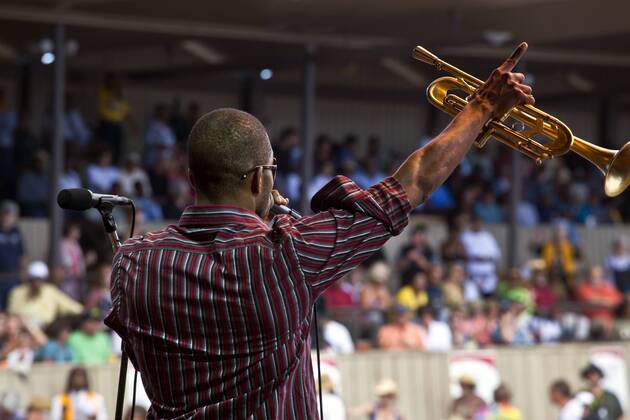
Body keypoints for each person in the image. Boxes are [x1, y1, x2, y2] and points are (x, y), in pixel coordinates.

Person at [104, 43, 534, 418]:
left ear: (191, 178)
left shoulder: (133, 261)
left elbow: (142, 358)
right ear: (259, 180)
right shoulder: (288, 254)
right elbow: (413, 184)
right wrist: (481, 108)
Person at [7, 261, 83, 326]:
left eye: (39, 280)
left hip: (45, 329)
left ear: (44, 280)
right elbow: (12, 314)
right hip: (21, 328)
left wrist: (84, 311)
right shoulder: (17, 292)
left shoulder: (51, 291)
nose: (36, 283)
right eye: (34, 279)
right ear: (29, 279)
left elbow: (70, 306)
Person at [460, 215, 501, 298]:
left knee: (489, 299)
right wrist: (477, 258)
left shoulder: (488, 236)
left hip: (488, 275)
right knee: (472, 299)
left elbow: (497, 254)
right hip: (473, 275)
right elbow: (463, 254)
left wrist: (486, 258)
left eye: (480, 223)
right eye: (476, 223)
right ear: (471, 223)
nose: (478, 225)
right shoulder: (465, 236)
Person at [576, 265, 622, 338]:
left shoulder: (608, 286)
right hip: (590, 320)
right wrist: (606, 301)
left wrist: (600, 300)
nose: (596, 277)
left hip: (609, 319)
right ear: (588, 276)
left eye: (598, 275)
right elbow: (590, 300)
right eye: (593, 275)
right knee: (602, 326)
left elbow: (617, 301)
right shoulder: (583, 287)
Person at [0, 200, 25, 310]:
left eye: (12, 215)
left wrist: (23, 271)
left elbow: (22, 254)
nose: (9, 218)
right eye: (7, 214)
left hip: (13, 278)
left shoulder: (17, 232)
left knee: (12, 308)